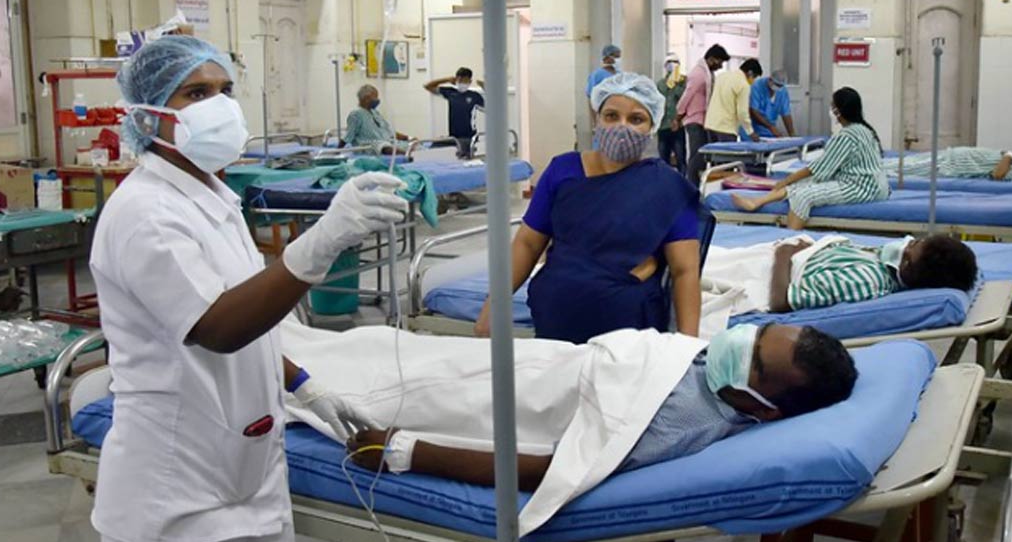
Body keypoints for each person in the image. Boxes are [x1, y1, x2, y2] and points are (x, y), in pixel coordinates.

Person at [90, 36, 408, 542]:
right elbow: (218, 326)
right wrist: (318, 244)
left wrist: (303, 385)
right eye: (197, 93)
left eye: (225, 90)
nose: (220, 105)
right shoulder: (146, 214)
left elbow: (248, 313)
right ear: (149, 114)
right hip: (179, 490)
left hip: (244, 478)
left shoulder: (214, 196)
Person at [346, 323, 857, 489]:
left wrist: (405, 453)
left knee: (365, 377)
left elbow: (554, 472)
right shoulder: (718, 373)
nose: (739, 342)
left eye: (754, 361)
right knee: (383, 342)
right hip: (550, 359)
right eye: (758, 333)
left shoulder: (682, 425)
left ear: (766, 409)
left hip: (522, 396)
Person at [474, 71, 703, 344]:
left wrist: (688, 345)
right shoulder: (563, 171)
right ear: (597, 119)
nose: (622, 126)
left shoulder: (667, 186)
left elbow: (685, 271)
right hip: (555, 319)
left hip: (627, 330)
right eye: (611, 116)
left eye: (636, 119)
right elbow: (527, 243)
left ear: (652, 126)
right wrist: (495, 304)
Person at [731, 87, 888, 229]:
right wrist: (793, 180)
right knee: (802, 183)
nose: (831, 110)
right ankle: (756, 202)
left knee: (803, 196)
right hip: (875, 186)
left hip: (862, 188)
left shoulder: (846, 136)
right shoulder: (864, 130)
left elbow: (818, 168)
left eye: (833, 106)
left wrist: (787, 179)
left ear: (839, 111)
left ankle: (790, 242)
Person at [768, 233, 978, 312]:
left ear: (905, 268)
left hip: (768, 271)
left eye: (912, 245)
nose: (905, 242)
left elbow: (781, 301)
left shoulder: (866, 280)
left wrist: (783, 254)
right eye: (915, 240)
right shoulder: (881, 260)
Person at [677, 43, 729, 183]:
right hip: (694, 119)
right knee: (697, 155)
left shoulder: (708, 73)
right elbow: (687, 96)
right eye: (720, 62)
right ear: (712, 59)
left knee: (704, 155)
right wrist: (678, 115)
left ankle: (699, 184)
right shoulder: (698, 74)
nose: (721, 66)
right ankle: (691, 185)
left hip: (704, 120)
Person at [885, 146, 1012, 181]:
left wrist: (1008, 156)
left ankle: (870, 170)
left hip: (950, 167)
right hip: (950, 155)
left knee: (904, 169)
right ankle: (873, 163)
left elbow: (997, 175)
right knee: (904, 161)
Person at [424, 68, 485, 159]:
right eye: (459, 80)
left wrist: (486, 88)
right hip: (453, 137)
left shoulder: (475, 96)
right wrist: (446, 79)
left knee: (460, 155)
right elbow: (427, 86)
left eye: (464, 80)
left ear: (469, 81)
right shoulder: (450, 92)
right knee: (433, 148)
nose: (461, 82)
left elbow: (492, 109)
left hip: (468, 138)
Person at [705, 58, 764, 144]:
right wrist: (750, 132)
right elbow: (742, 112)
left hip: (711, 125)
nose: (753, 81)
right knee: (726, 157)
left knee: (713, 156)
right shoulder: (743, 84)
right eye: (754, 77)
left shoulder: (722, 76)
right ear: (750, 73)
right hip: (726, 128)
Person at [343, 84, 410, 152]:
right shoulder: (356, 115)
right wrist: (337, 151)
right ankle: (405, 154)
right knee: (384, 147)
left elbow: (389, 131)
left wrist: (408, 138)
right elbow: (348, 136)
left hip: (386, 141)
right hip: (369, 145)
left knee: (410, 145)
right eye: (375, 97)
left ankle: (408, 152)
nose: (377, 100)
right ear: (366, 98)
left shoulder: (375, 113)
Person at [655, 52, 687, 172]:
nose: (672, 65)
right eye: (669, 63)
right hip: (663, 126)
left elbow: (684, 99)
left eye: (675, 63)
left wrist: (676, 83)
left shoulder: (684, 82)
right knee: (663, 159)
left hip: (678, 125)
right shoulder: (660, 84)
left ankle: (682, 182)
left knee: (680, 158)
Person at [743, 69, 795, 138]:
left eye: (780, 86)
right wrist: (770, 127)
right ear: (770, 80)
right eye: (776, 84)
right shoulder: (757, 86)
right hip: (753, 128)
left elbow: (786, 114)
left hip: (768, 130)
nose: (778, 87)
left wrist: (792, 134)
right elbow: (754, 111)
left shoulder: (782, 91)